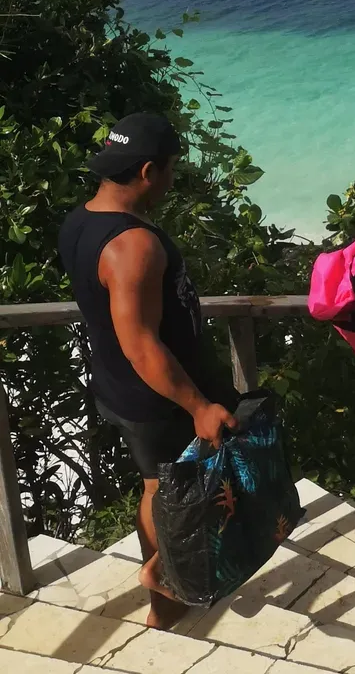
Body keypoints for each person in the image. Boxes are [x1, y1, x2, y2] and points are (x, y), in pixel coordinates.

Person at [57, 113, 238, 630]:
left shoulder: (80, 220)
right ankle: (164, 580)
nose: (174, 179)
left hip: (119, 388)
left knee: (158, 487)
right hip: (158, 396)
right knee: (192, 489)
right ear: (147, 170)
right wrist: (199, 405)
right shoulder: (132, 244)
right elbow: (141, 344)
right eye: (172, 169)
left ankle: (166, 598)